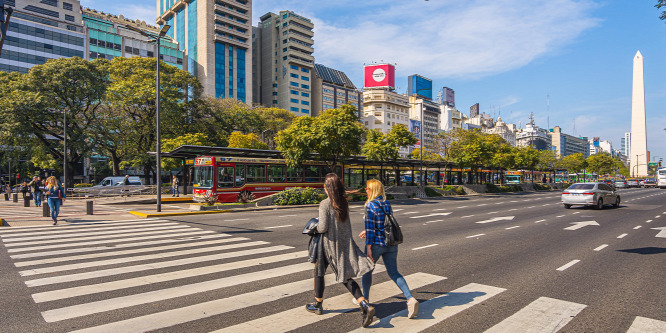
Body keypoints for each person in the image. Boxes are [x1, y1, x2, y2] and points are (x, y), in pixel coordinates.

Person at [306, 173, 376, 328]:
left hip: (328, 244)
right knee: (344, 276)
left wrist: (313, 227)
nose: (323, 187)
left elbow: (323, 227)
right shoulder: (343, 202)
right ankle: (364, 303)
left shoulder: (325, 203)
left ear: (328, 187)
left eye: (325, 185)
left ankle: (318, 304)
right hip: (343, 243)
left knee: (319, 272)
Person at [359, 179, 419, 319]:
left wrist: (368, 247)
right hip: (391, 243)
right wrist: (367, 230)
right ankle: (410, 299)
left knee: (367, 272)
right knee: (394, 272)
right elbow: (384, 224)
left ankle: (365, 301)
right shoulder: (386, 203)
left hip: (376, 244)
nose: (365, 190)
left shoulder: (369, 205)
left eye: (367, 188)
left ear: (372, 189)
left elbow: (371, 227)